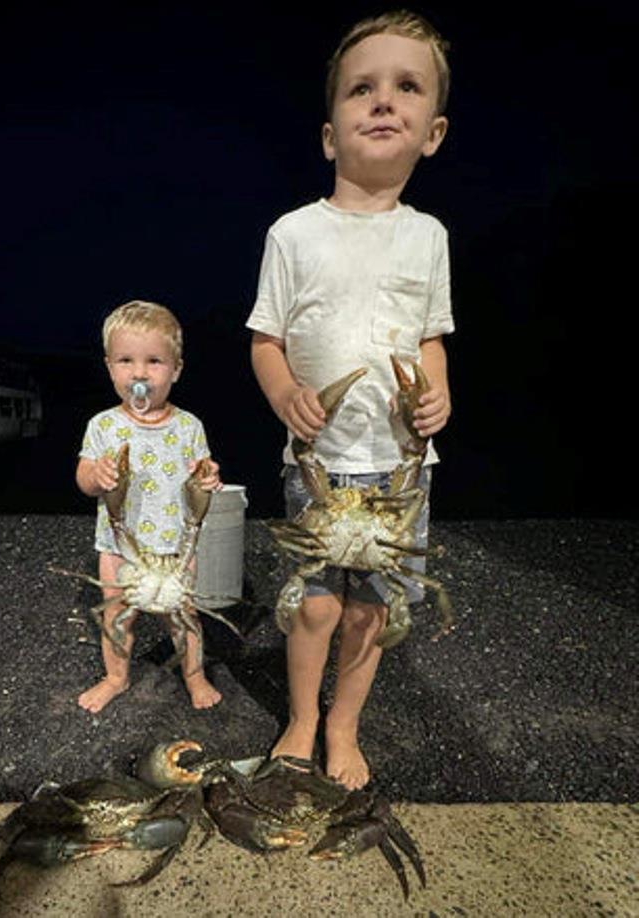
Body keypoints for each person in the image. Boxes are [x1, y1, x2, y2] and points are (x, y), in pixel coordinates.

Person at [247, 10, 454, 789]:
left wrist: (439, 399)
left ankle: (343, 725)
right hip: (322, 461)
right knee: (314, 605)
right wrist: (285, 395)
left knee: (372, 609)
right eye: (361, 89)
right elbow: (266, 338)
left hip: (401, 467)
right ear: (330, 133)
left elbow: (431, 337)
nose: (382, 101)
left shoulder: (428, 236)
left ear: (431, 132)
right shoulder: (293, 234)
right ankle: (301, 718)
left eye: (406, 88)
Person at [76, 300, 222, 713]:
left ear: (176, 369)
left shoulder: (190, 426)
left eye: (154, 361)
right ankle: (116, 677)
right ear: (109, 367)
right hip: (119, 547)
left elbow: (203, 475)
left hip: (175, 549)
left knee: (183, 617)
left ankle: (195, 677)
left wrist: (208, 478)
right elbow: (83, 479)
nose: (139, 373)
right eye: (126, 360)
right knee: (116, 615)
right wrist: (96, 475)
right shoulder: (103, 425)